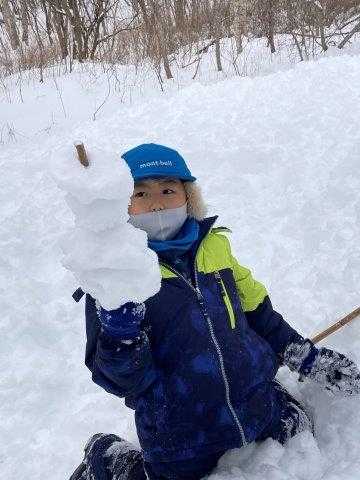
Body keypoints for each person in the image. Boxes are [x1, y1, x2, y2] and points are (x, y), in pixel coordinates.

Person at [70, 143, 360, 480]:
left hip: (254, 403)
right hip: (179, 435)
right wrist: (121, 332)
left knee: (298, 430)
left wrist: (306, 357)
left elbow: (259, 314)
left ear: (188, 196)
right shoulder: (114, 280)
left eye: (168, 189)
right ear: (121, 204)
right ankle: (107, 458)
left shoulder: (215, 247)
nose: (158, 203)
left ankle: (272, 395)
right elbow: (120, 378)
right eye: (142, 193)